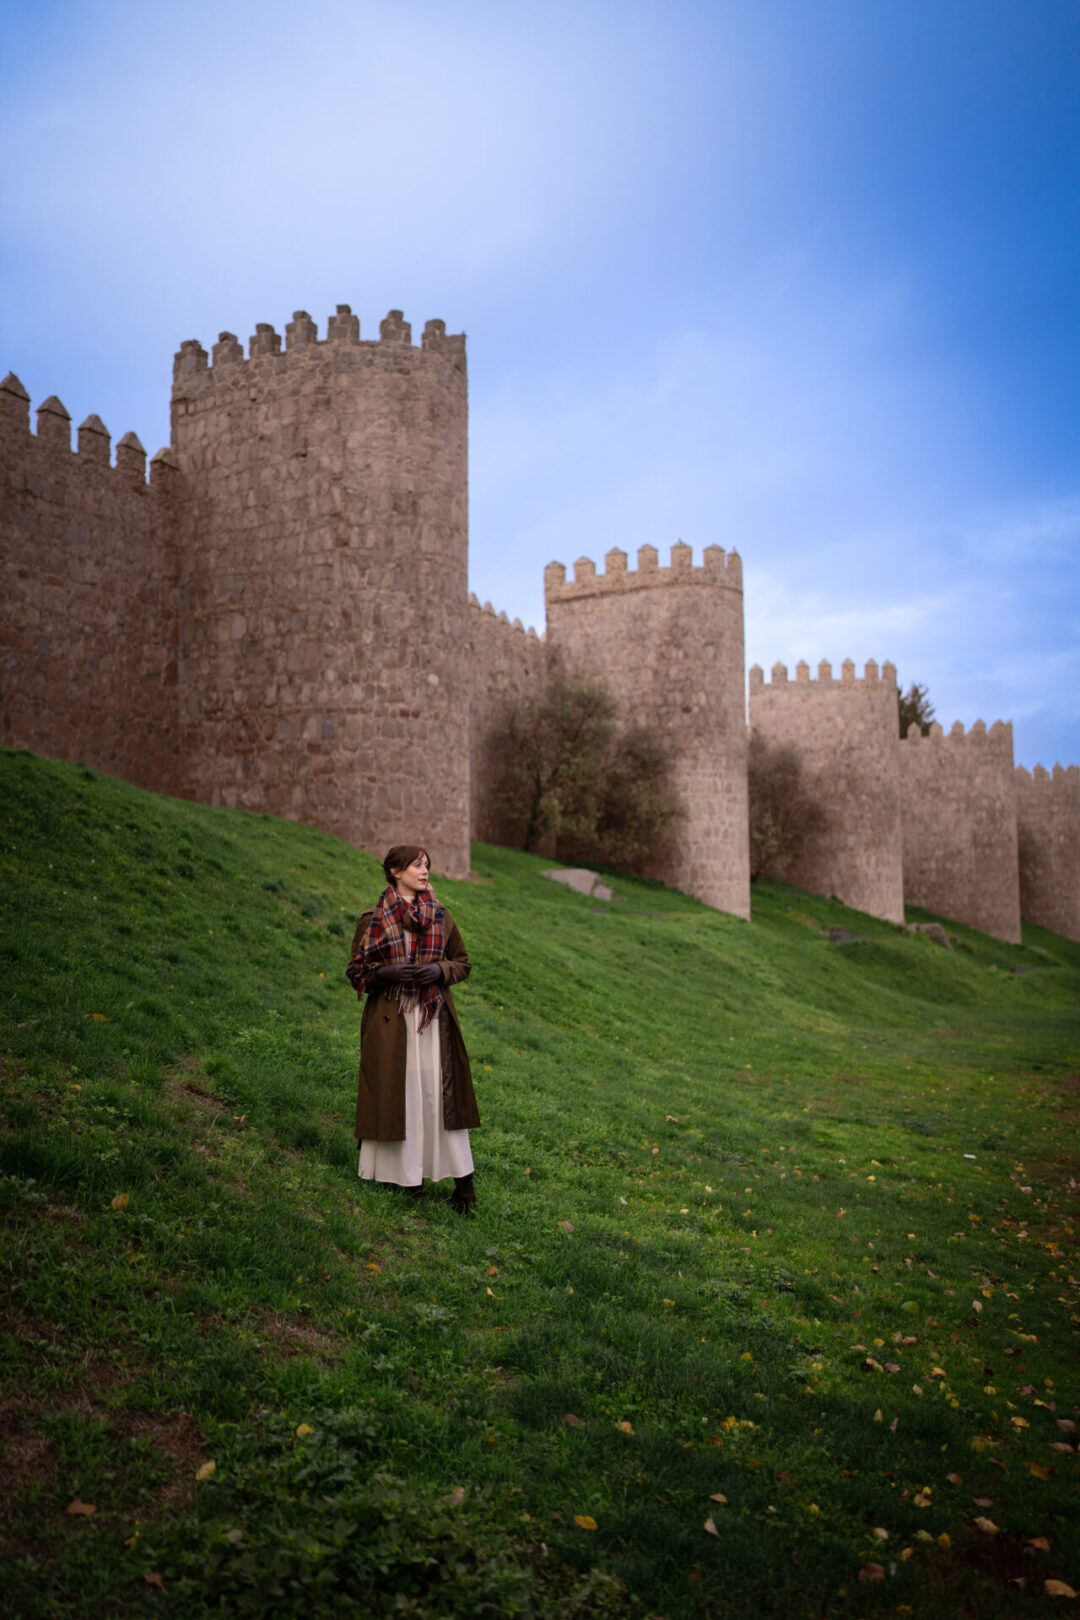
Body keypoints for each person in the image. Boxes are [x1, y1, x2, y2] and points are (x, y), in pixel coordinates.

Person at [345, 845, 479, 1212]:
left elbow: (462, 963)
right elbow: (356, 972)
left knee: (438, 1096)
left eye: (427, 865)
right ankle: (409, 1180)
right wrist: (383, 973)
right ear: (394, 871)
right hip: (391, 1021)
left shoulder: (441, 916)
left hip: (433, 1020)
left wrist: (439, 971)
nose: (425, 871)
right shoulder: (373, 919)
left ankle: (464, 1184)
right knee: (399, 1095)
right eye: (417, 865)